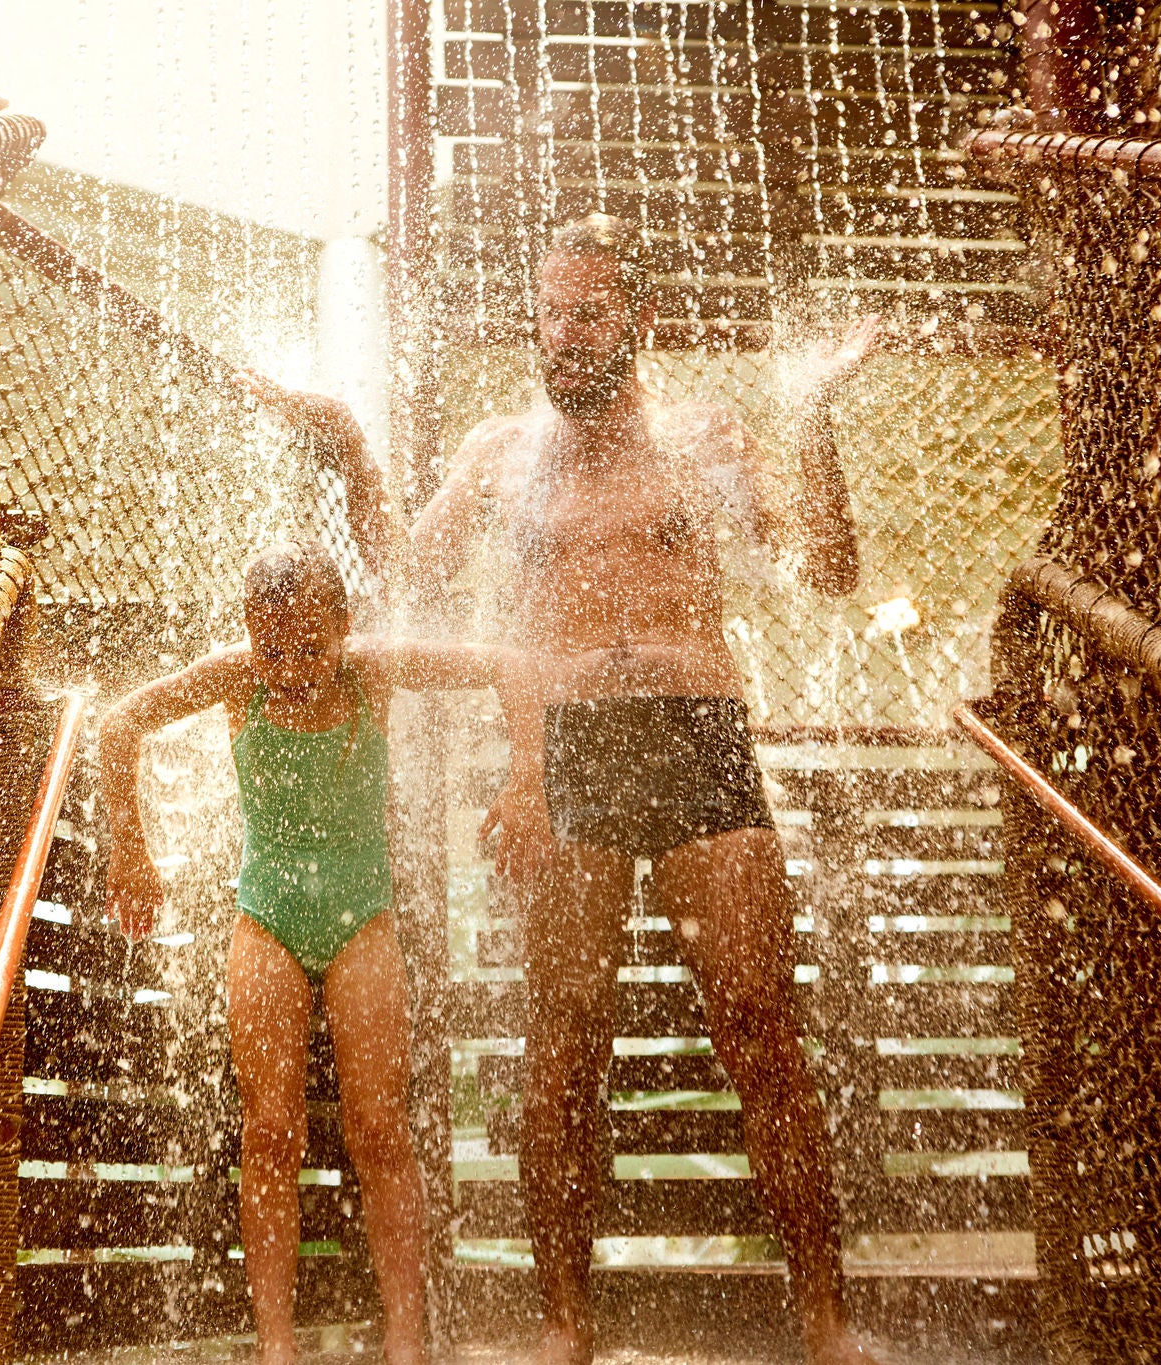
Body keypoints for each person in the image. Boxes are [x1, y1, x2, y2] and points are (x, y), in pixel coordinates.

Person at [405, 214, 884, 1365]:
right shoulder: (495, 455)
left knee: (760, 1026)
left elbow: (827, 568)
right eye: (549, 314)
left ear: (639, 320)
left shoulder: (702, 435)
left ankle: (822, 1318)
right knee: (562, 1044)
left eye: (586, 313)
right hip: (560, 746)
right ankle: (564, 1324)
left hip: (695, 734)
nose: (562, 336)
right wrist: (340, 447)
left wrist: (812, 415)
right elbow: (400, 581)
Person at [101, 541, 516, 1365]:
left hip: (363, 913)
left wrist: (526, 776)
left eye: (310, 646)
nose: (290, 668)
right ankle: (277, 1346)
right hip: (268, 915)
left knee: (380, 1128)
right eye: (272, 648)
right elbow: (120, 723)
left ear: (344, 626)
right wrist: (129, 849)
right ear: (251, 636)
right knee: (269, 1130)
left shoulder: (374, 669)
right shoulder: (236, 677)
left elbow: (503, 665)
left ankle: (405, 1337)